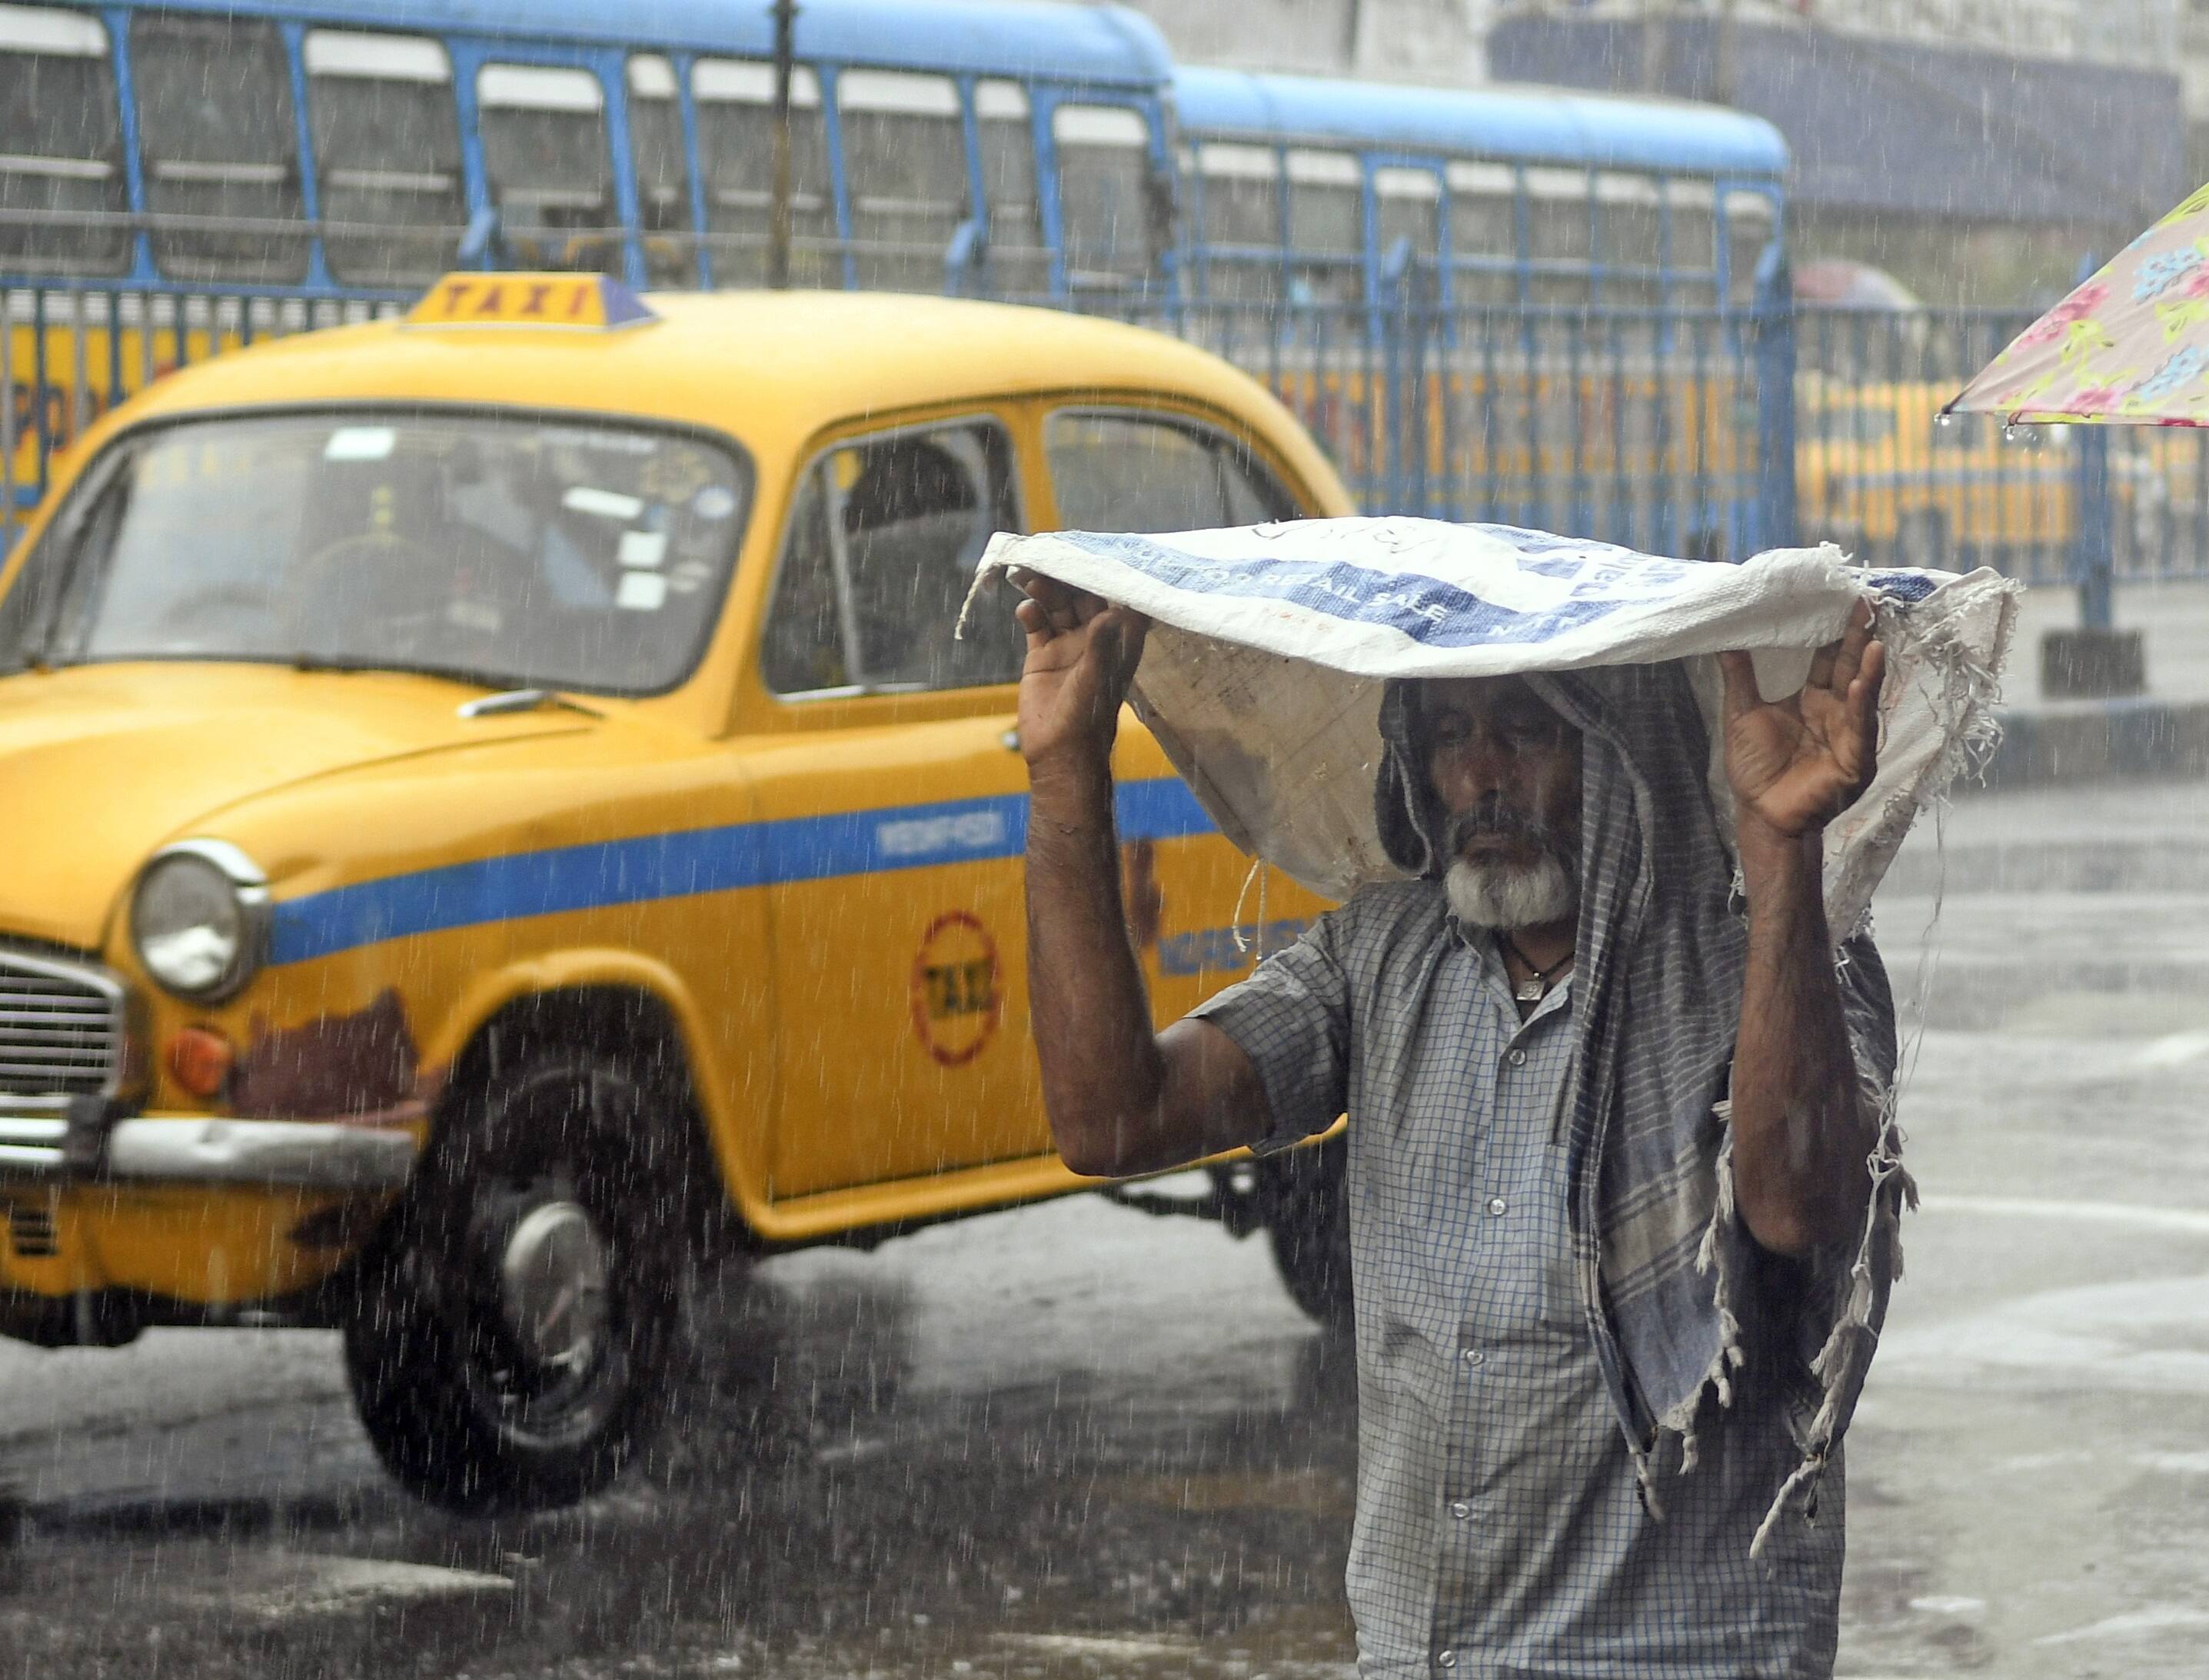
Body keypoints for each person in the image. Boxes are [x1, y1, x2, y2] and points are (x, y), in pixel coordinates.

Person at [1013, 572, 1902, 1679]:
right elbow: (1110, 1120)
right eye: (1448, 735)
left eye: (1528, 730)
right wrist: (1064, 773)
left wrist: (1780, 859)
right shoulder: (1382, 952)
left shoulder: (1781, 951)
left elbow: (1795, 1204)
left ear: (1619, 752)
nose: (1481, 775)